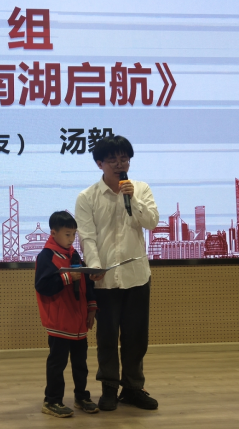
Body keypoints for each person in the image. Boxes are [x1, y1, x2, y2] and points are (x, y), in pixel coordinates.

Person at [74, 135, 159, 411]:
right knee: (107, 338)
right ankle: (109, 388)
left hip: (137, 276)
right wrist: (95, 266)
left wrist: (132, 199)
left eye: (124, 159)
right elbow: (87, 237)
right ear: (100, 163)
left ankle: (133, 388)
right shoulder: (87, 197)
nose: (120, 164)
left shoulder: (141, 189)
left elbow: (152, 222)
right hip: (105, 279)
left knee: (136, 338)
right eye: (113, 160)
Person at [35, 211, 99, 418]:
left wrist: (91, 307)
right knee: (57, 363)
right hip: (59, 322)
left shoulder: (75, 255)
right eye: (67, 234)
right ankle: (52, 400)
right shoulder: (46, 256)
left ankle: (81, 396)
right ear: (53, 233)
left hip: (78, 321)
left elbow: (87, 283)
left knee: (81, 363)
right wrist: (67, 278)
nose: (71, 239)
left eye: (74, 235)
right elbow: (43, 286)